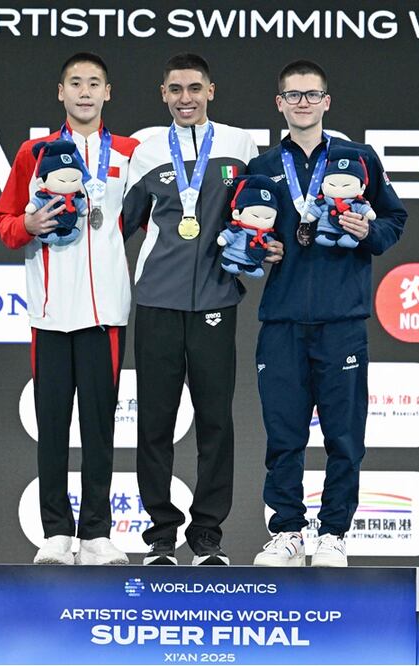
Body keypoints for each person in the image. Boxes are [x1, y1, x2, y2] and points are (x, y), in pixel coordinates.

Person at [246, 59, 406, 567]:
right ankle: (288, 531)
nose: (302, 103)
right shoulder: (264, 165)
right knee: (283, 436)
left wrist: (370, 235)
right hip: (282, 321)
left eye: (311, 95)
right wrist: (259, 252)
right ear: (280, 103)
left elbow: (395, 218)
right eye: (292, 95)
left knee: (343, 436)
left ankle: (334, 532)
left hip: (342, 320)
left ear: (327, 101)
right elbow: (249, 236)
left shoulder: (359, 158)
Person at [121, 53, 274, 566]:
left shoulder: (239, 144)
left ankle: (207, 534)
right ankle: (161, 535)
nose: (184, 98)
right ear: (163, 94)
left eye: (194, 88)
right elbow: (122, 223)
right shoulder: (143, 147)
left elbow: (257, 216)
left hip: (216, 299)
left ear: (211, 89)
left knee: (216, 421)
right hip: (157, 301)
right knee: (155, 422)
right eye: (174, 89)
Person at [0, 52, 138, 566]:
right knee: (52, 426)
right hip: (51, 314)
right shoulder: (34, 152)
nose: (84, 91)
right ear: (60, 92)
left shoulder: (130, 152)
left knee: (100, 427)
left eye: (93, 83)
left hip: (106, 315)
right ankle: (56, 533)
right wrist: (28, 227)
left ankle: (97, 532)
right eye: (74, 83)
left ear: (108, 92)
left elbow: (147, 220)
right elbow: (5, 220)